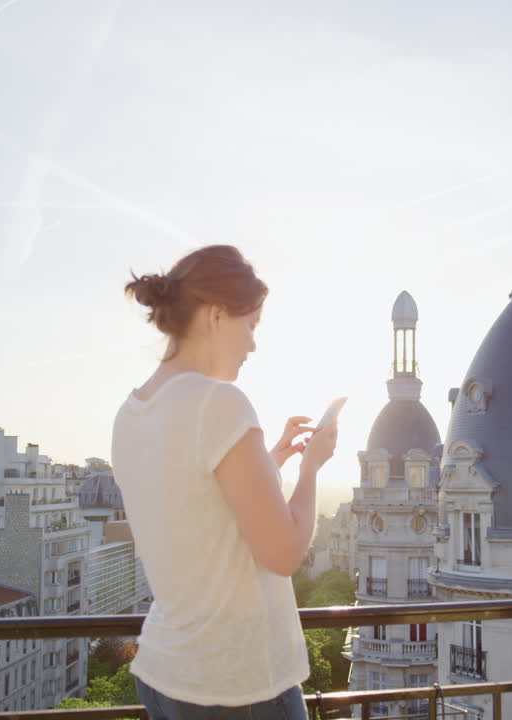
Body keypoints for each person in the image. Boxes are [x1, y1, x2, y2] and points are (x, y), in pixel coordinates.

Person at [112, 244, 338, 720]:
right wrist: (310, 468)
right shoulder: (219, 404)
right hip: (237, 687)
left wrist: (268, 458)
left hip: (166, 673)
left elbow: (199, 505)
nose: (254, 344)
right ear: (217, 316)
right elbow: (283, 553)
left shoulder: (131, 413)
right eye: (250, 325)